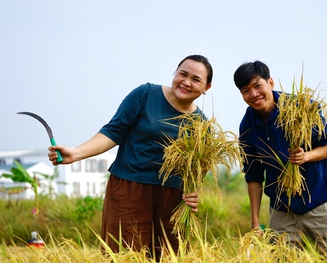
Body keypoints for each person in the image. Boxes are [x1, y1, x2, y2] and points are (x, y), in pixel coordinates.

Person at [48, 54, 213, 258]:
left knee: (172, 256)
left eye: (196, 79)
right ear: (175, 73)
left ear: (207, 88)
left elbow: (197, 170)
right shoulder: (145, 95)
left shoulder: (202, 125)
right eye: (183, 74)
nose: (186, 82)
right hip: (130, 189)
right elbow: (114, 131)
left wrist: (193, 193)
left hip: (173, 201)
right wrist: (76, 153)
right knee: (124, 255)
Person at [233, 61, 327, 255]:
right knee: (282, 258)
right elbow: (253, 175)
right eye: (246, 90)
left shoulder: (301, 108)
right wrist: (255, 221)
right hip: (282, 207)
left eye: (257, 86)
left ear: (270, 82)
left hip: (319, 198)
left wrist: (306, 156)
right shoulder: (248, 125)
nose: (253, 94)